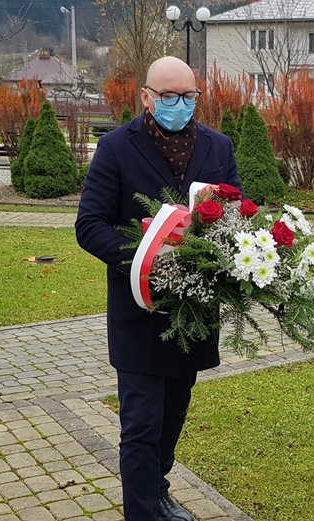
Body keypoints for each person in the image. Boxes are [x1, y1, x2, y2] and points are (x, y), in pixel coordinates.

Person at [75, 56, 241, 521]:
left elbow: (236, 213)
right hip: (140, 311)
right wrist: (151, 262)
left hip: (194, 312)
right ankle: (143, 511)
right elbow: (89, 225)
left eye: (189, 97)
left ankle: (157, 490)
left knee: (172, 416)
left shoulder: (218, 147)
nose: (180, 105)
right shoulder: (115, 148)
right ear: (146, 96)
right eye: (169, 97)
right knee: (142, 424)